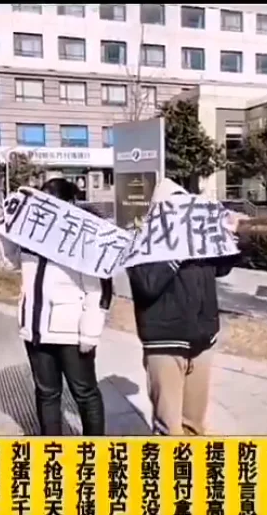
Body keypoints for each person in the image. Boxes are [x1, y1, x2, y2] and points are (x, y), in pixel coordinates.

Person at [126, 206, 240, 436]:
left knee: (194, 425)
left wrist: (229, 235)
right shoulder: (141, 239)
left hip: (202, 340)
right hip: (165, 344)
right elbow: (146, 285)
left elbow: (221, 268)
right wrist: (178, 250)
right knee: (169, 429)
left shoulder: (198, 234)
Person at [16, 178, 112, 435]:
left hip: (71, 333)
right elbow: (7, 261)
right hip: (35, 329)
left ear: (69, 203)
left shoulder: (83, 239)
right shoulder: (30, 235)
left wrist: (90, 333)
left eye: (52, 201)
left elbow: (97, 289)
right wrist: (7, 225)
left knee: (84, 393)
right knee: (46, 393)